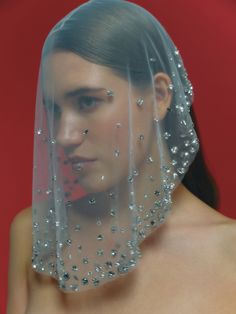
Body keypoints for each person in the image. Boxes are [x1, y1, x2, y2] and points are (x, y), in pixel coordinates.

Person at [7, 1, 236, 313]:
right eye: (54, 109)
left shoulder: (229, 256)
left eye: (87, 101)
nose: (63, 135)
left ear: (158, 97)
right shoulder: (36, 232)